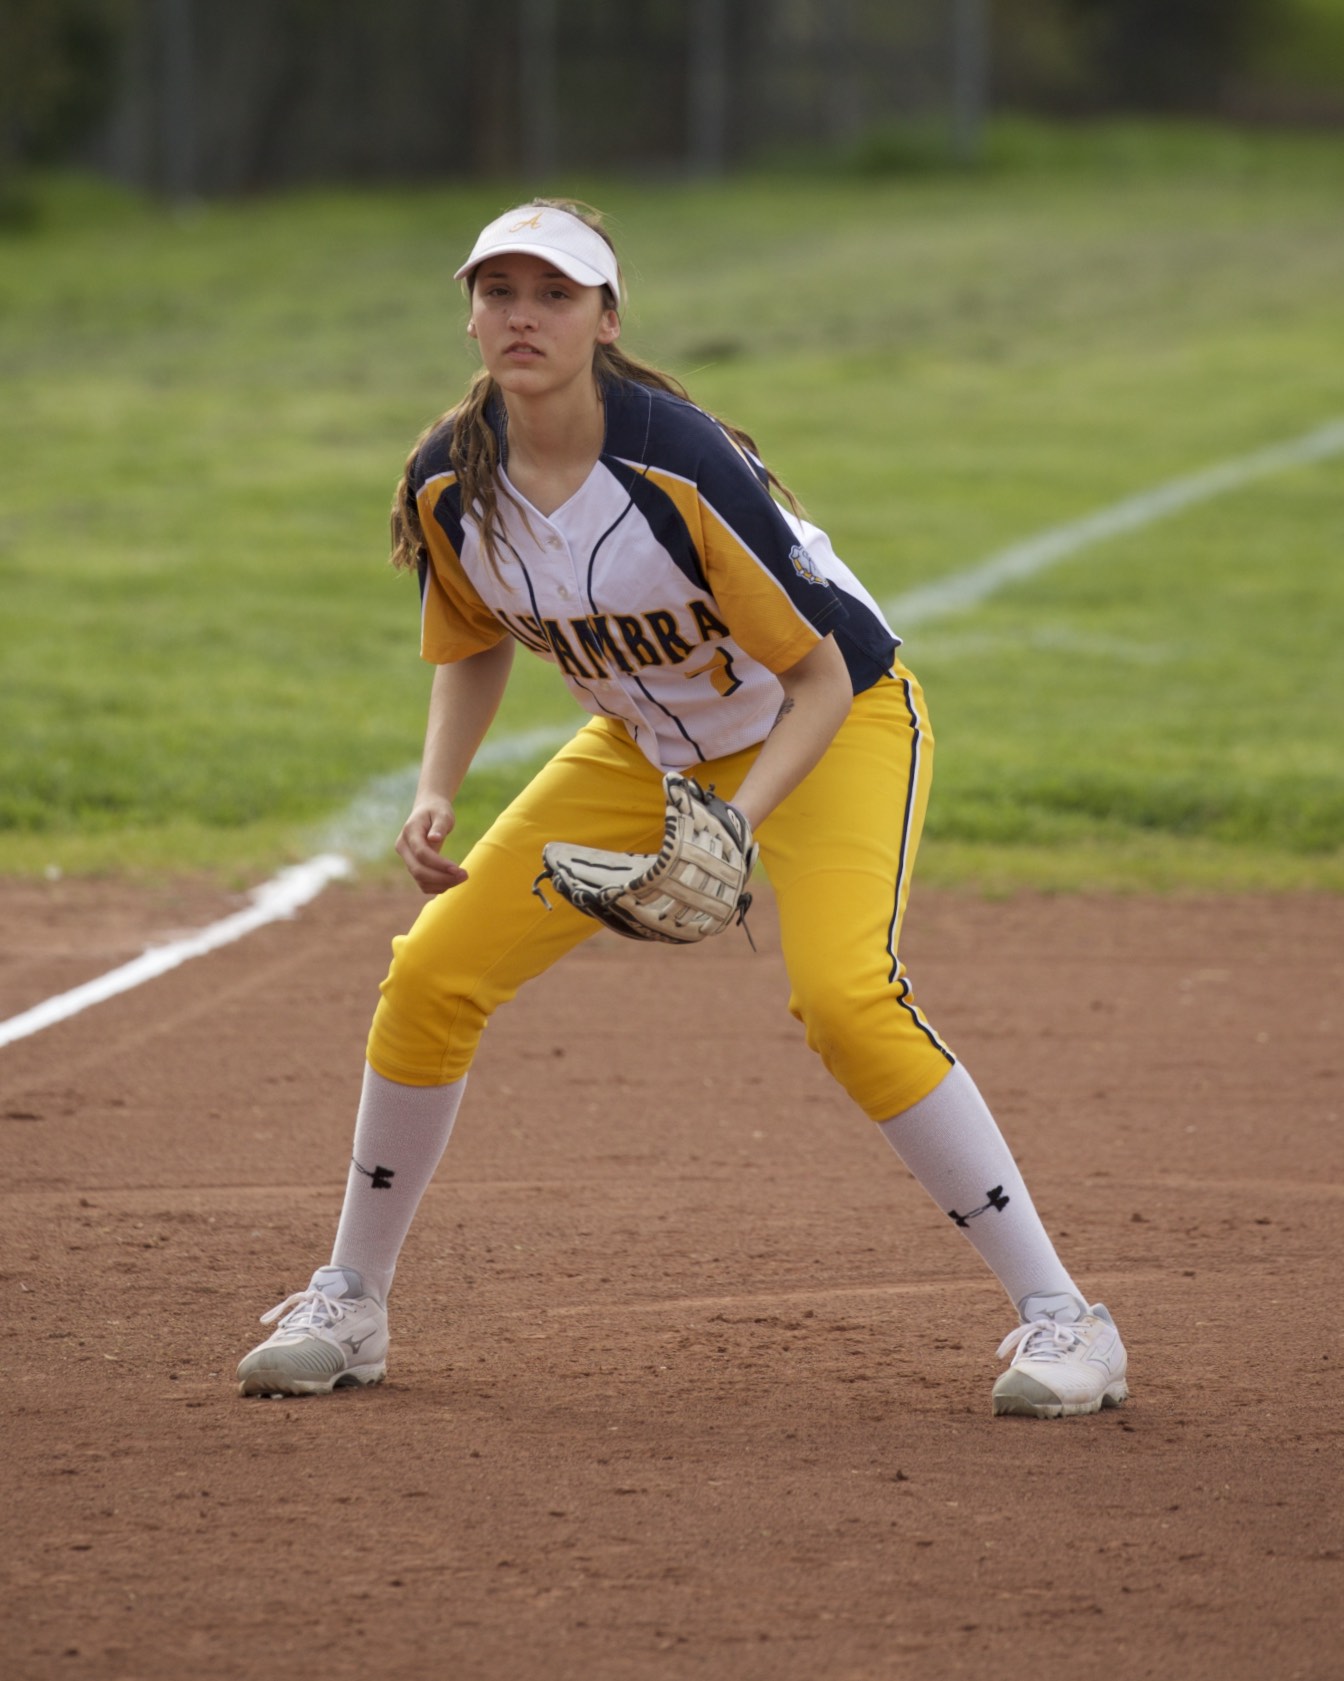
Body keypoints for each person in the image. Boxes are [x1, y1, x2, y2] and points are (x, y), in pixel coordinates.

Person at [236, 199, 1128, 1419]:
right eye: (500, 292)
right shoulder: (453, 476)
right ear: (471, 316)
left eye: (556, 295)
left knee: (845, 999)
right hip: (645, 745)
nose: (524, 316)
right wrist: (439, 784)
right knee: (433, 973)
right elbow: (474, 636)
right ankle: (350, 1301)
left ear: (607, 320)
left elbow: (820, 677)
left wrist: (736, 823)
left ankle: (1068, 1319)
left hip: (834, 725)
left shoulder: (677, 464)